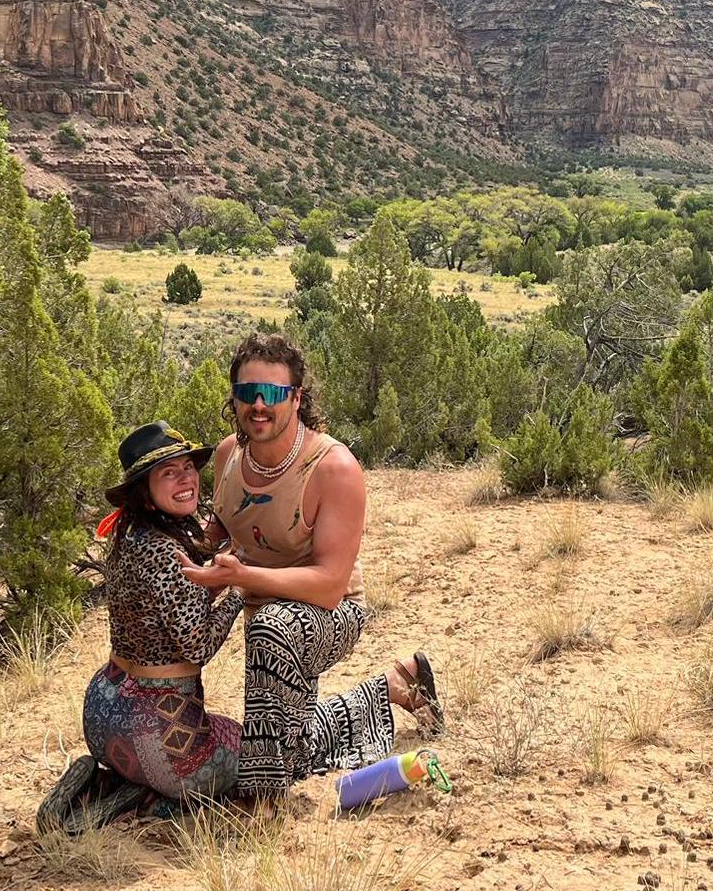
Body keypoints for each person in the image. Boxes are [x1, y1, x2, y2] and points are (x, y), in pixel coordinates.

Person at [180, 331, 444, 803]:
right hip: (263, 608)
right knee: (292, 743)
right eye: (247, 392)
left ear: (296, 398)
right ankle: (393, 685)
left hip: (329, 613)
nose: (259, 405)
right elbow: (222, 522)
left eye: (272, 392)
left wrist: (240, 579)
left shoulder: (332, 468)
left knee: (271, 629)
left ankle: (263, 800)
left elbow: (329, 585)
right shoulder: (227, 456)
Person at [65, 421, 246, 822]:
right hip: (159, 731)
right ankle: (146, 803)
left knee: (219, 738)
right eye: (168, 472)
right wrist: (239, 591)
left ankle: (112, 785)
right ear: (143, 490)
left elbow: (170, 607)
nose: (186, 479)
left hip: (105, 712)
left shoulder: (131, 538)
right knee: (255, 755)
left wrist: (214, 580)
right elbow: (198, 646)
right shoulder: (166, 552)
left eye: (188, 467)